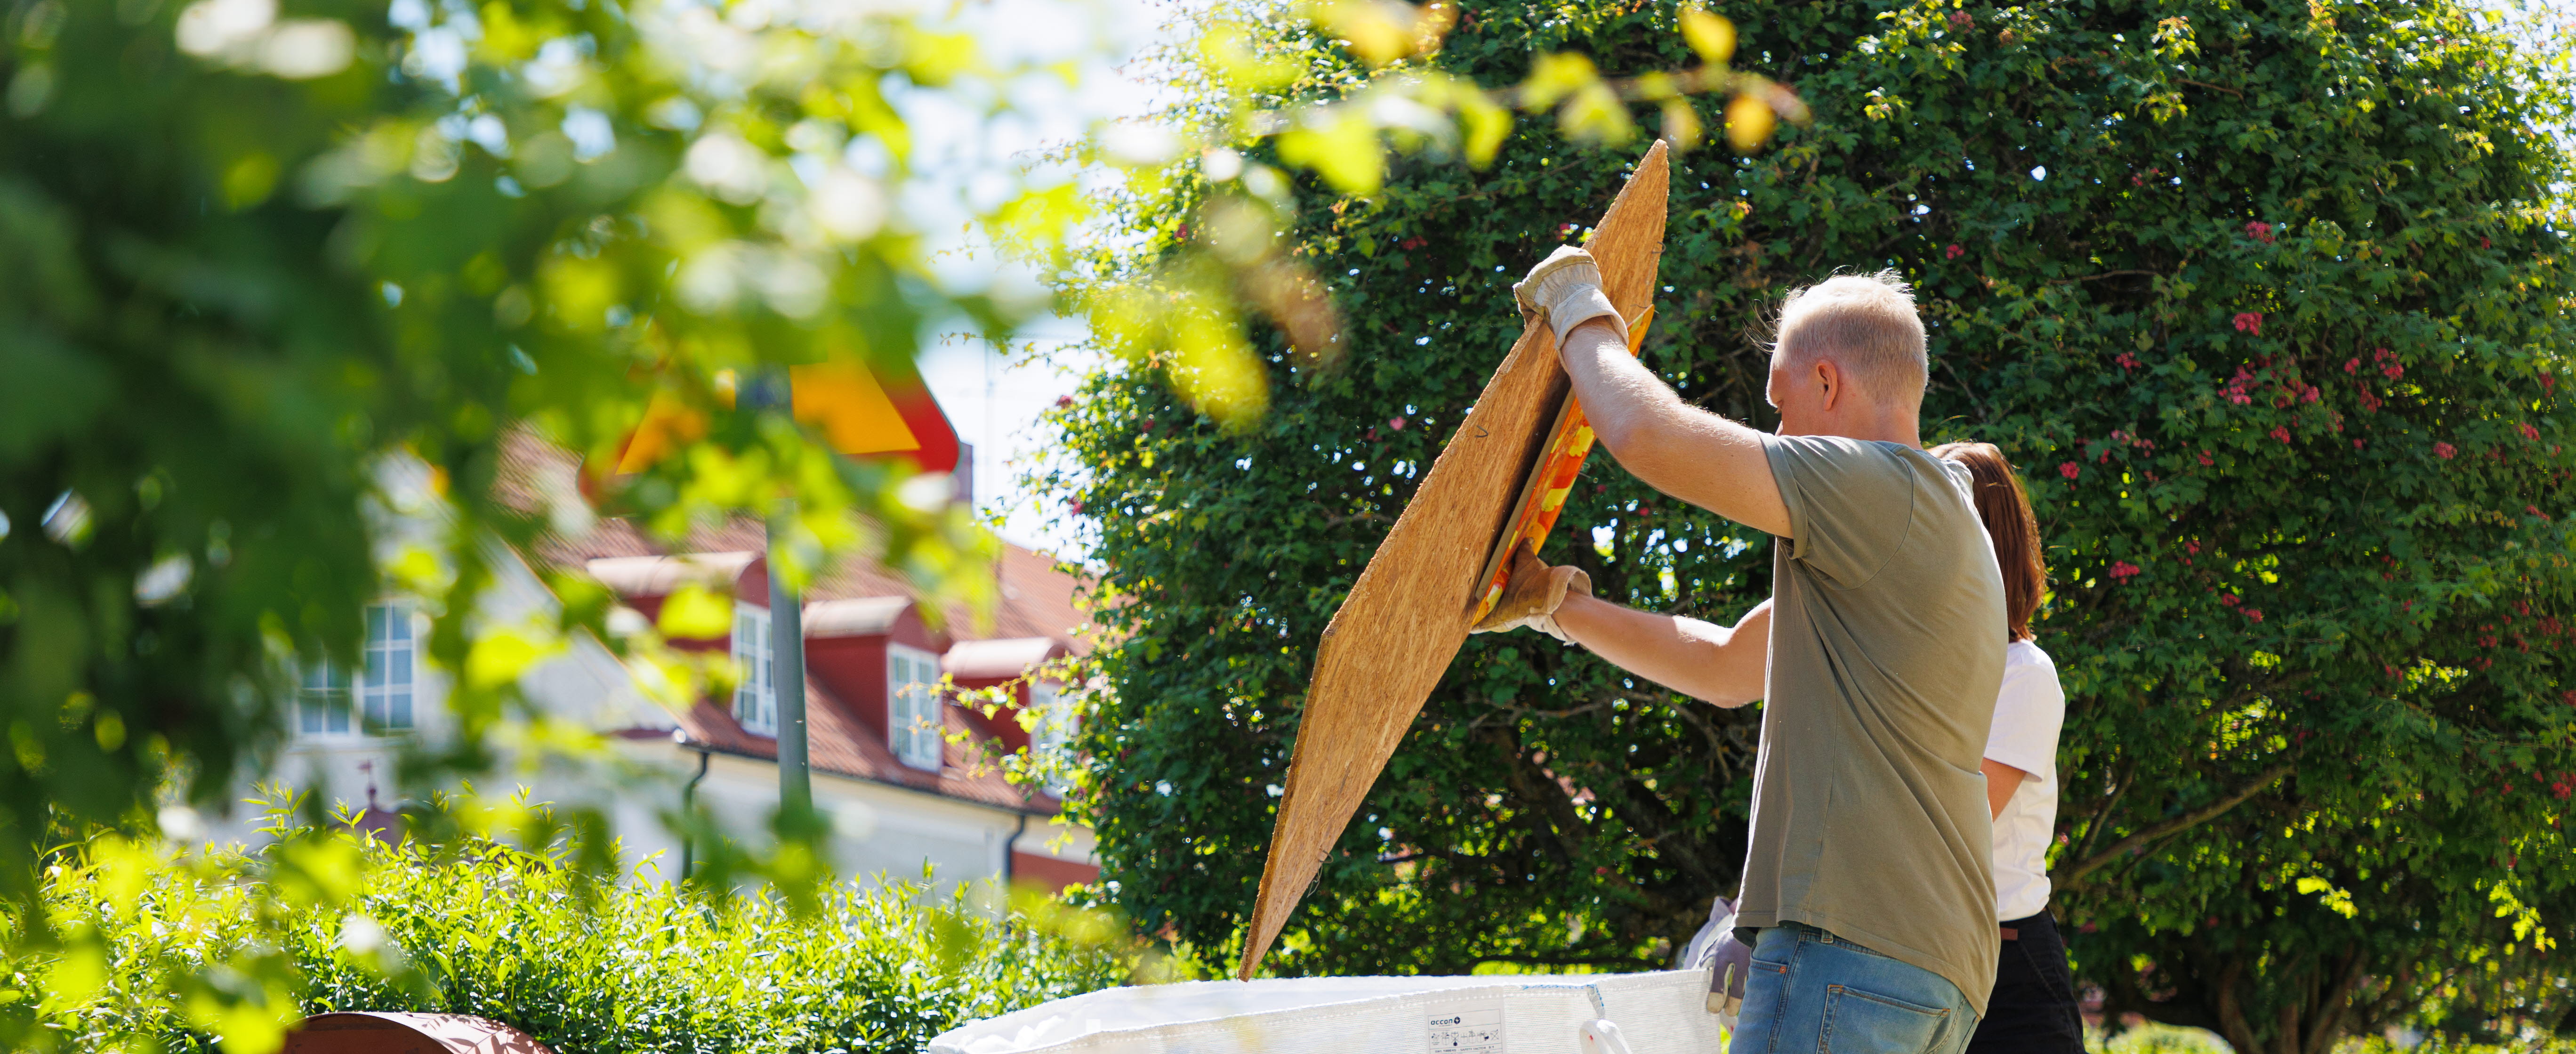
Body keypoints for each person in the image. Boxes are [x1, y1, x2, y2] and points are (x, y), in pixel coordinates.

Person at [1480, 251, 2005, 1054]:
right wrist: (1560, 606)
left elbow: (1648, 436)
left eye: (1782, 403)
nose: (1779, 431)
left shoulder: (1878, 486)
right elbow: (1723, 665)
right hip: (1930, 961)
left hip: (1848, 942)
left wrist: (1576, 308)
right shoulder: (1923, 529)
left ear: (1828, 384)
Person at [1926, 442, 2084, 1054]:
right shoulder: (1918, 669)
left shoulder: (2024, 673)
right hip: (1925, 963)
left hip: (2009, 969)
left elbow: (1955, 820)